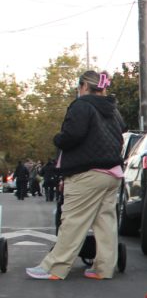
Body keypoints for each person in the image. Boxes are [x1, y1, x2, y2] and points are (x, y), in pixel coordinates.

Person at [26, 70, 126, 281]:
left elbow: (73, 135)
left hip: (87, 173)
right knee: (105, 221)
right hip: (113, 173)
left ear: (83, 86)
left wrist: (58, 139)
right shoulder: (113, 110)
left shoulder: (82, 106)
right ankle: (103, 268)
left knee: (73, 220)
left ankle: (55, 267)